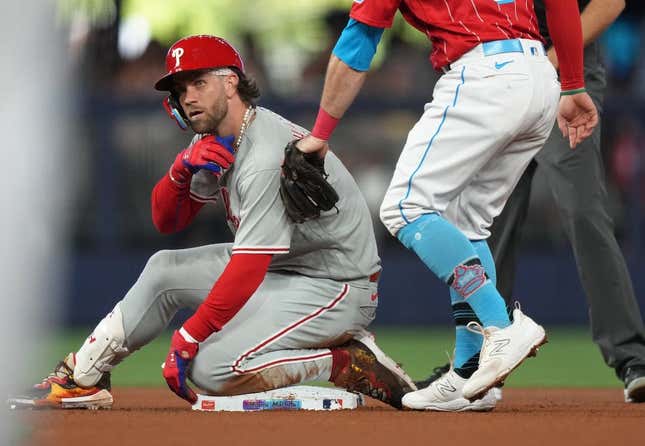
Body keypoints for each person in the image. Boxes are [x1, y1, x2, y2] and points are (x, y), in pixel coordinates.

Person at [7, 35, 416, 410]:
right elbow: (167, 221)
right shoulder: (215, 137)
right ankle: (83, 378)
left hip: (337, 286)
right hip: (286, 272)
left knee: (210, 369)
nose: (188, 97)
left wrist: (187, 336)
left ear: (231, 83)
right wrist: (179, 171)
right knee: (164, 268)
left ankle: (344, 361)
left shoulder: (261, 156)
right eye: (180, 89)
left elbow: (248, 267)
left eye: (198, 82)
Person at [296, 0, 599, 412]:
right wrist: (574, 84)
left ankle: (500, 325)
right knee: (468, 224)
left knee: (403, 208)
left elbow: (358, 42)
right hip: (540, 76)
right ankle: (472, 375)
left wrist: (320, 133)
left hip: (485, 74)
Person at [418, 0, 645, 406]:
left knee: (583, 210)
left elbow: (610, 4)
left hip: (566, 70)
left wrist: (552, 62)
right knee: (483, 223)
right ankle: (477, 366)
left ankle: (633, 359)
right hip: (499, 74)